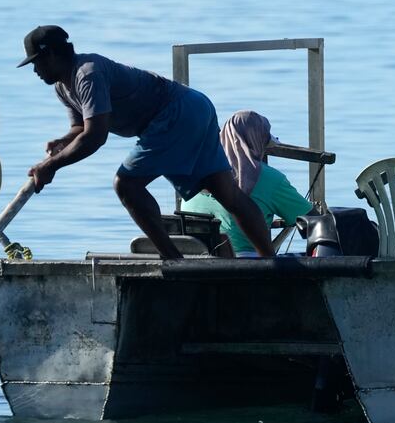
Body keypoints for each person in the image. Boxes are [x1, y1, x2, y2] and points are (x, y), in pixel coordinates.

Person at [18, 25, 275, 259]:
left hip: (175, 113)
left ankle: (172, 260)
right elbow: (80, 128)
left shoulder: (88, 74)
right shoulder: (63, 87)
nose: (35, 71)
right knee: (226, 192)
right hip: (195, 107)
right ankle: (268, 261)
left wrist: (51, 166)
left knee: (127, 184)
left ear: (51, 54)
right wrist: (62, 142)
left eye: (37, 63)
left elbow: (96, 136)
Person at [180, 110, 314, 257]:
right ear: (258, 141)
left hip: (196, 261)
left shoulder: (198, 173)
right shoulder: (270, 178)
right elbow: (314, 223)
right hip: (246, 266)